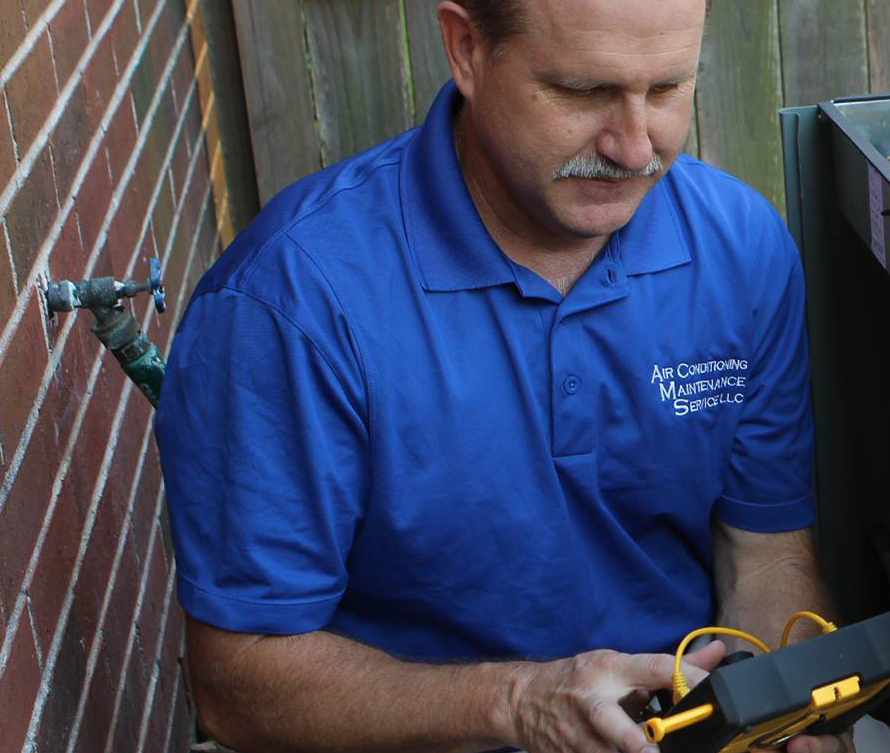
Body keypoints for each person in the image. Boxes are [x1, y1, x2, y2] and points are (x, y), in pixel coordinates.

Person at [153, 1, 850, 751]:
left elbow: (766, 555)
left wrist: (783, 713)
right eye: (584, 93)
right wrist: (516, 703)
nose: (635, 145)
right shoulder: (290, 301)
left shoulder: (740, 248)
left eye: (668, 90)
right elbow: (235, 682)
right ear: (466, 50)